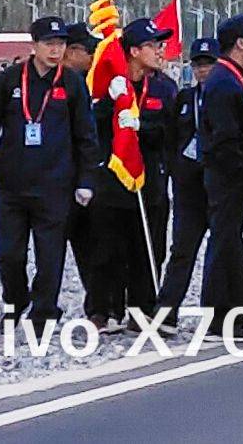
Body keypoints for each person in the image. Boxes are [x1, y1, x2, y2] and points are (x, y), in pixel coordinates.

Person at [0, 16, 98, 328]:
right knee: (8, 253)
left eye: (61, 44)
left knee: (50, 255)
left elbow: (86, 136)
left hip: (55, 184)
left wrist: (86, 180)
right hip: (13, 184)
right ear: (34, 45)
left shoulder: (72, 83)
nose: (55, 51)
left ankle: (44, 311)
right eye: (49, 44)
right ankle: (16, 299)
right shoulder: (10, 80)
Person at [81, 18, 180, 328]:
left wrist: (143, 128)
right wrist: (110, 106)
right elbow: (90, 127)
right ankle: (103, 309)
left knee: (149, 246)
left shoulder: (164, 86)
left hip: (150, 178)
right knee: (106, 249)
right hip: (111, 178)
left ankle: (143, 308)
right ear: (135, 51)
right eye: (153, 46)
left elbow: (171, 130)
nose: (159, 51)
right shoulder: (110, 83)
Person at [194, 15, 243, 331]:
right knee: (225, 243)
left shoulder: (232, 77)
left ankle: (231, 311)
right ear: (239, 43)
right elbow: (225, 136)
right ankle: (222, 314)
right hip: (227, 176)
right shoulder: (224, 82)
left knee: (229, 241)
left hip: (232, 175)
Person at [159, 34, 218, 311]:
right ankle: (167, 311)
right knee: (182, 250)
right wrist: (174, 169)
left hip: (218, 185)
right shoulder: (183, 99)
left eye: (209, 63)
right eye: (198, 64)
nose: (203, 70)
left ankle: (217, 311)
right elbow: (170, 139)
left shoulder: (228, 96)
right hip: (188, 188)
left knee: (221, 251)